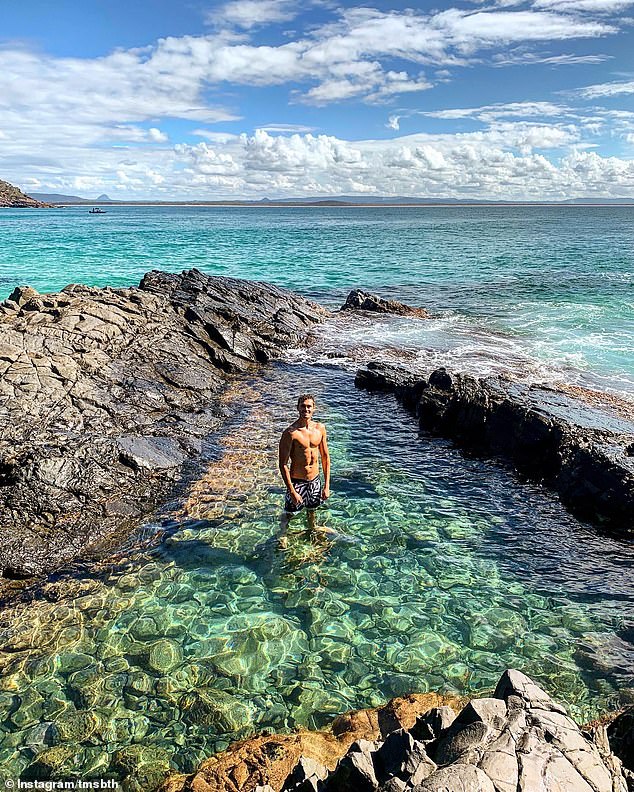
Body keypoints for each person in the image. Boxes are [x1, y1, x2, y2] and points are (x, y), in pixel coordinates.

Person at [278, 394, 330, 528]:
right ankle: (283, 535)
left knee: (312, 511)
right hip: (297, 482)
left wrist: (326, 485)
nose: (306, 409)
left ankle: (312, 531)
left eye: (309, 406)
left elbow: (325, 457)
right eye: (303, 406)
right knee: (289, 513)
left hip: (315, 481)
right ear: (297, 408)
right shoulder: (290, 433)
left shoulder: (320, 429)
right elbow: (283, 464)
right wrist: (292, 491)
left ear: (314, 408)